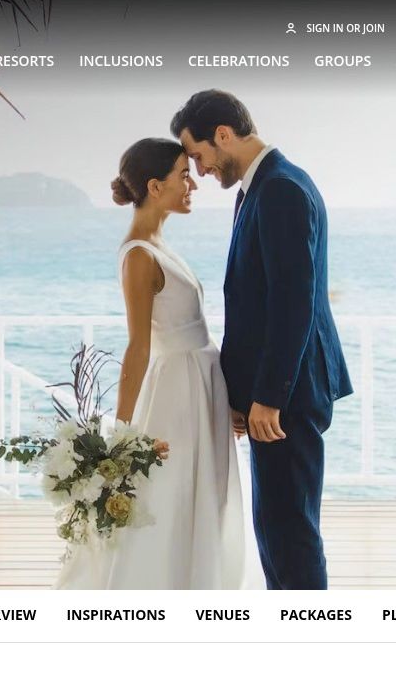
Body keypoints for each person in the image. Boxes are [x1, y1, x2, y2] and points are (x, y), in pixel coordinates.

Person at [172, 89, 353, 590]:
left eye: (200, 155)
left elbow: (292, 303)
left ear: (224, 135)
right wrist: (241, 393)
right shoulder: (258, 189)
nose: (201, 171)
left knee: (290, 531)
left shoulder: (281, 189)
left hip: (288, 396)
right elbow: (250, 300)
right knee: (274, 527)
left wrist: (269, 397)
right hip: (273, 393)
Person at [53, 138, 252, 590]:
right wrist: (120, 436)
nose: (192, 184)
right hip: (177, 392)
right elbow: (138, 347)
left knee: (205, 497)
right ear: (154, 185)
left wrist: (227, 397)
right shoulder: (139, 255)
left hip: (202, 384)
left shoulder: (158, 242)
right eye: (184, 174)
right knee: (175, 496)